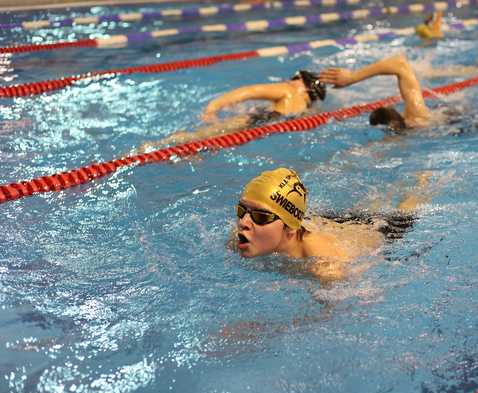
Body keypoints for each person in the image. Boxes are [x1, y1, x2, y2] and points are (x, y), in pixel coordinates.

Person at [233, 167, 438, 282]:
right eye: (242, 210)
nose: (243, 223)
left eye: (260, 216)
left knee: (407, 210)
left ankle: (426, 179)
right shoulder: (243, 236)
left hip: (379, 230)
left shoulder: (324, 265)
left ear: (290, 227)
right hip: (330, 223)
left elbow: (337, 314)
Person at [138, 70, 326, 152]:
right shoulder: (307, 110)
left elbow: (248, 91)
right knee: (215, 143)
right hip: (271, 129)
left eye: (295, 77)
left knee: (199, 135)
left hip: (259, 119)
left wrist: (213, 107)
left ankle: (153, 146)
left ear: (304, 85)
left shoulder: (289, 90)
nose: (289, 80)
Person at [320, 54, 432, 131]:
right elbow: (400, 63)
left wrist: (352, 77)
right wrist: (352, 77)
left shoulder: (416, 118)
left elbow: (400, 63)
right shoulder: (418, 117)